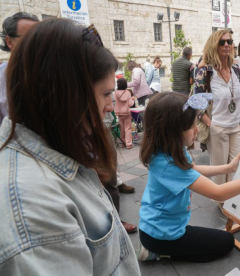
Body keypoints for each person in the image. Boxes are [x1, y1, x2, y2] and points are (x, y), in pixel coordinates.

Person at [0, 19, 141, 274]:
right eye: (104, 93)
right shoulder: (35, 211)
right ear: (66, 93)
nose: (110, 106)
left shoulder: (60, 148)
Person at [136, 92, 240, 262]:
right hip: (159, 236)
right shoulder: (167, 164)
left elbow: (193, 169)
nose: (197, 129)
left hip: (165, 227)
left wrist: (228, 168)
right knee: (227, 242)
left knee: (219, 240)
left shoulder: (173, 151)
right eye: (192, 125)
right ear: (173, 131)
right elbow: (218, 193)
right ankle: (157, 253)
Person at [194, 29, 240, 185]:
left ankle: (232, 201)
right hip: (218, 127)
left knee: (238, 167)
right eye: (222, 42)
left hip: (235, 127)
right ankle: (220, 201)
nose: (226, 45)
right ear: (214, 45)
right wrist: (211, 125)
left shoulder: (236, 70)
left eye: (229, 42)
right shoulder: (205, 72)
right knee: (220, 169)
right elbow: (197, 103)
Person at [0, 12, 39, 126]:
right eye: (29, 37)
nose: (37, 43)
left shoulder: (52, 71)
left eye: (39, 37)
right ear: (9, 42)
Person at [115, 78, 134, 149]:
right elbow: (130, 104)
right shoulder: (128, 93)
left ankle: (123, 143)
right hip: (127, 113)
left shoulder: (115, 93)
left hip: (119, 113)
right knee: (128, 128)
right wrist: (132, 99)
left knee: (122, 129)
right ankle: (129, 144)